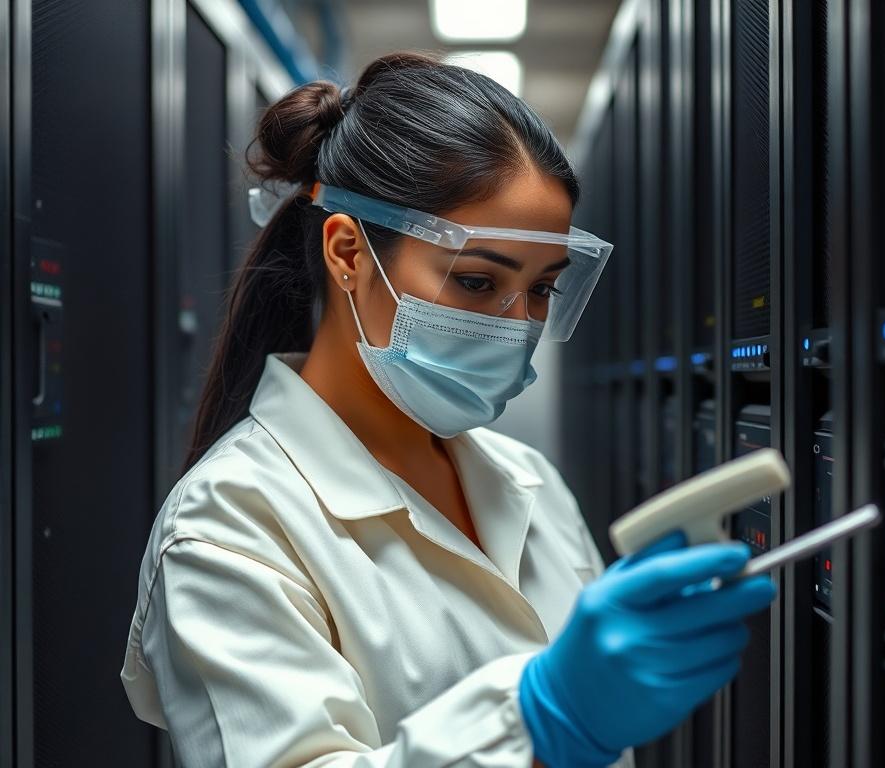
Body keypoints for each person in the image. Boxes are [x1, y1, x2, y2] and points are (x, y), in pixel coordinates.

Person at [120, 51, 776, 768]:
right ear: (348, 252)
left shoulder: (529, 482)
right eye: (474, 280)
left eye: (542, 290)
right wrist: (539, 720)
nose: (514, 323)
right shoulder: (228, 524)